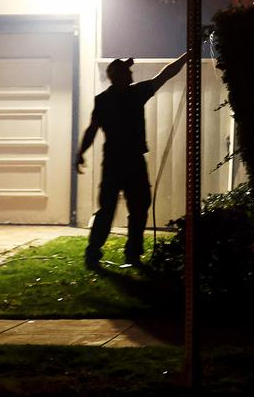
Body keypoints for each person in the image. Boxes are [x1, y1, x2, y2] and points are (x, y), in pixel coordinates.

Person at [78, 53, 187, 268]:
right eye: (127, 71)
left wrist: (186, 57)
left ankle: (126, 253)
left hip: (122, 162)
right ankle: (107, 253)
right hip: (123, 162)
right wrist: (80, 151)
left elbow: (165, 75)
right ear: (117, 76)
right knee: (114, 209)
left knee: (133, 208)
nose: (130, 73)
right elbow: (92, 128)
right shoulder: (129, 95)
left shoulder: (120, 96)